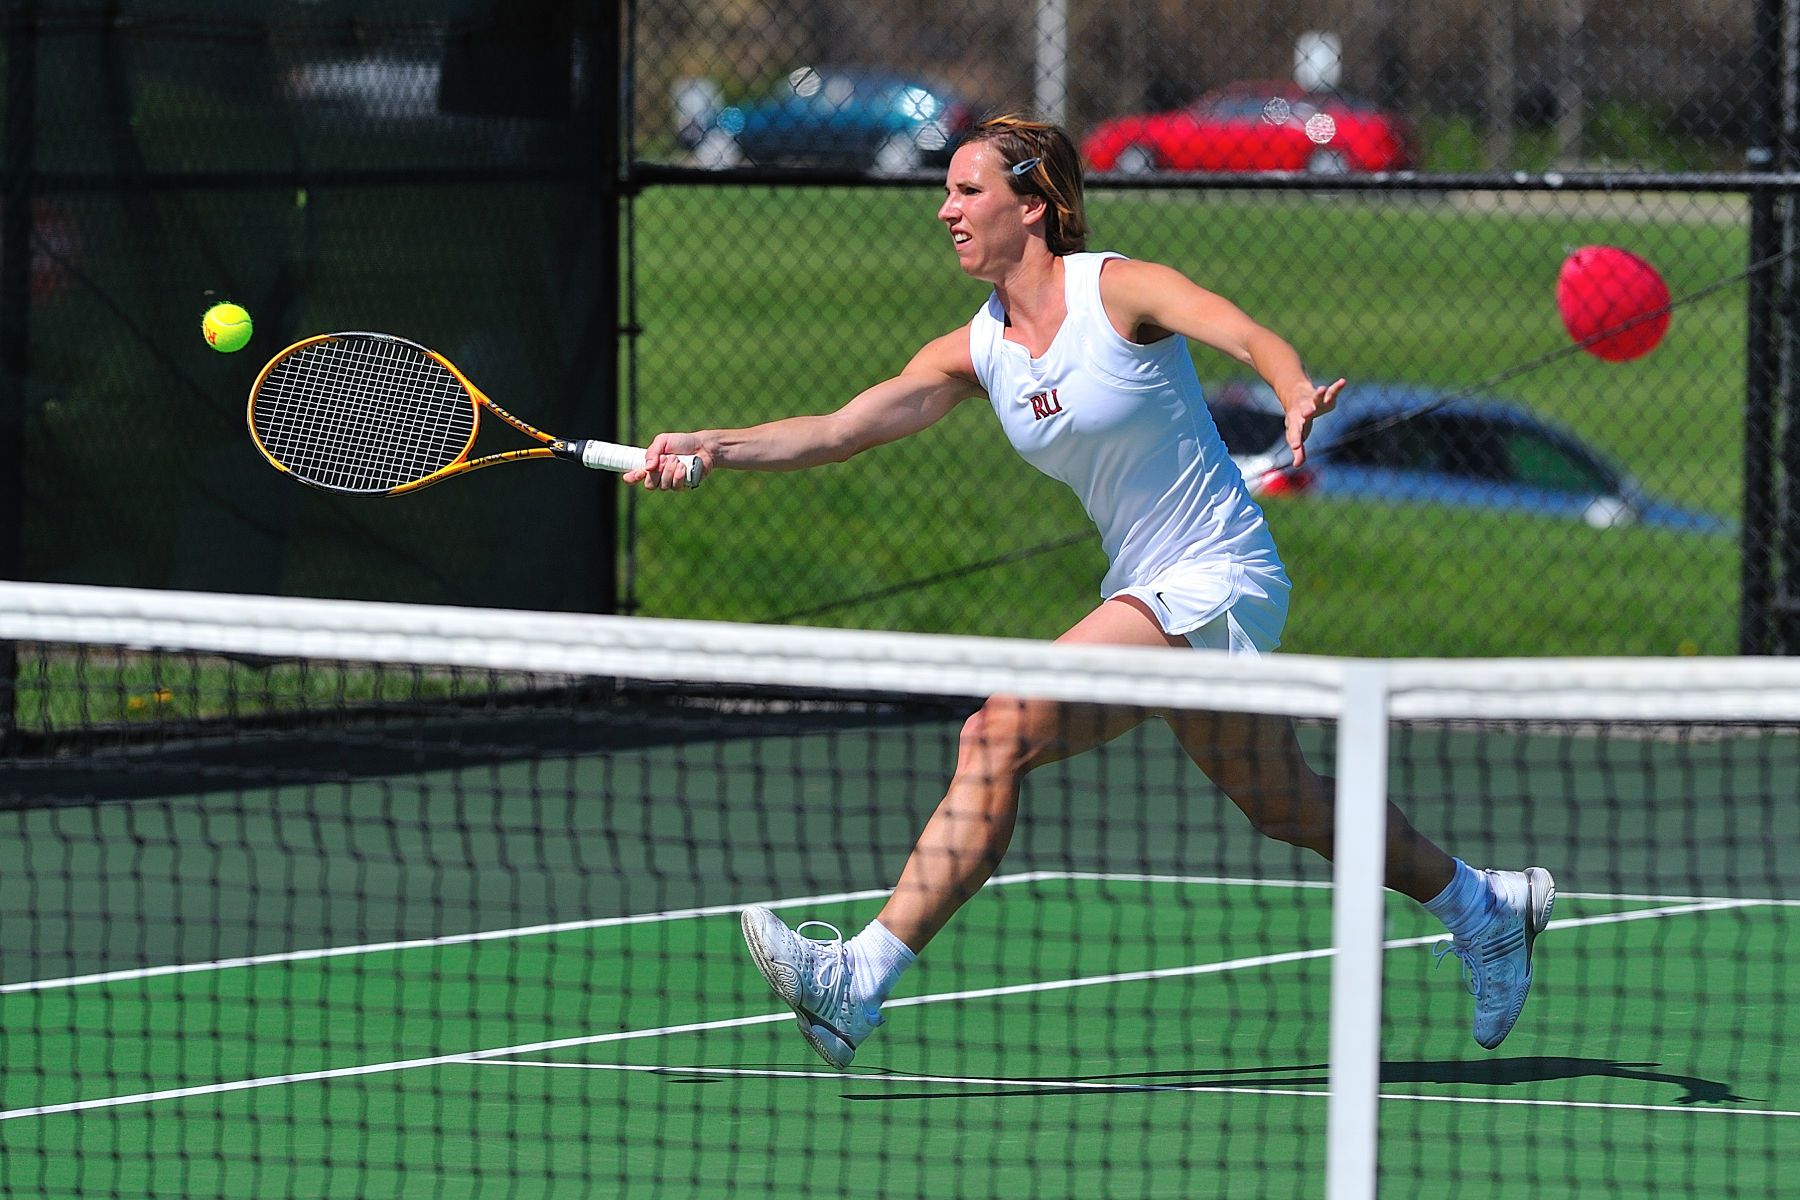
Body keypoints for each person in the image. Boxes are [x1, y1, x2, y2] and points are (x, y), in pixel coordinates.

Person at [625, 114, 1555, 1068]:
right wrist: (712, 446)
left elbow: (1238, 327)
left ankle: (856, 979)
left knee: (994, 732)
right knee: (1283, 805)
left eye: (967, 190)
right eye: (946, 192)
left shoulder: (1116, 291)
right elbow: (841, 428)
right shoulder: (978, 348)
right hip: (1147, 585)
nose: (945, 209)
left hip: (1215, 573)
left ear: (1033, 206)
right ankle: (1485, 907)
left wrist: (1290, 387)